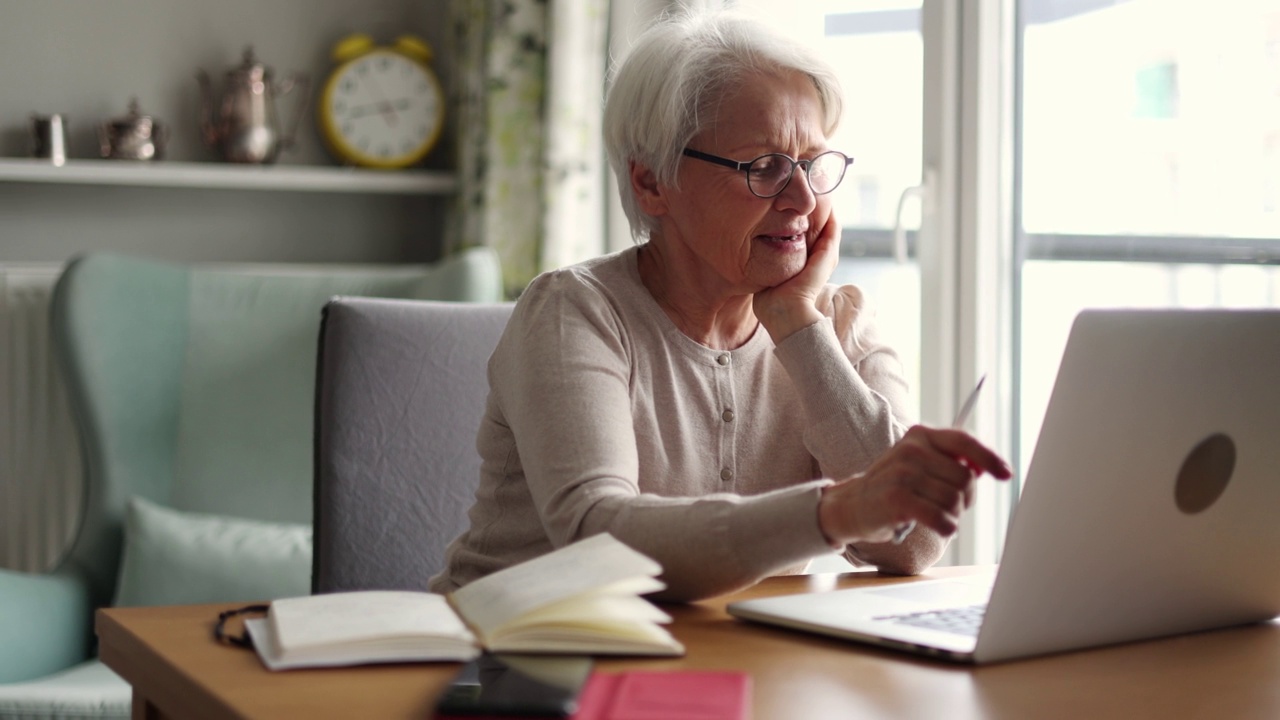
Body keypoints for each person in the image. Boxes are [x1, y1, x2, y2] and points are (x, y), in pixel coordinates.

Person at [429, 10, 1011, 602]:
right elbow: (596, 537)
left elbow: (910, 546)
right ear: (651, 182)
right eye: (765, 167)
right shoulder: (575, 311)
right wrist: (836, 511)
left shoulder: (839, 320)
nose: (804, 200)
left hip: (736, 664)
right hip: (511, 665)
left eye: (812, 164)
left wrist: (798, 325)